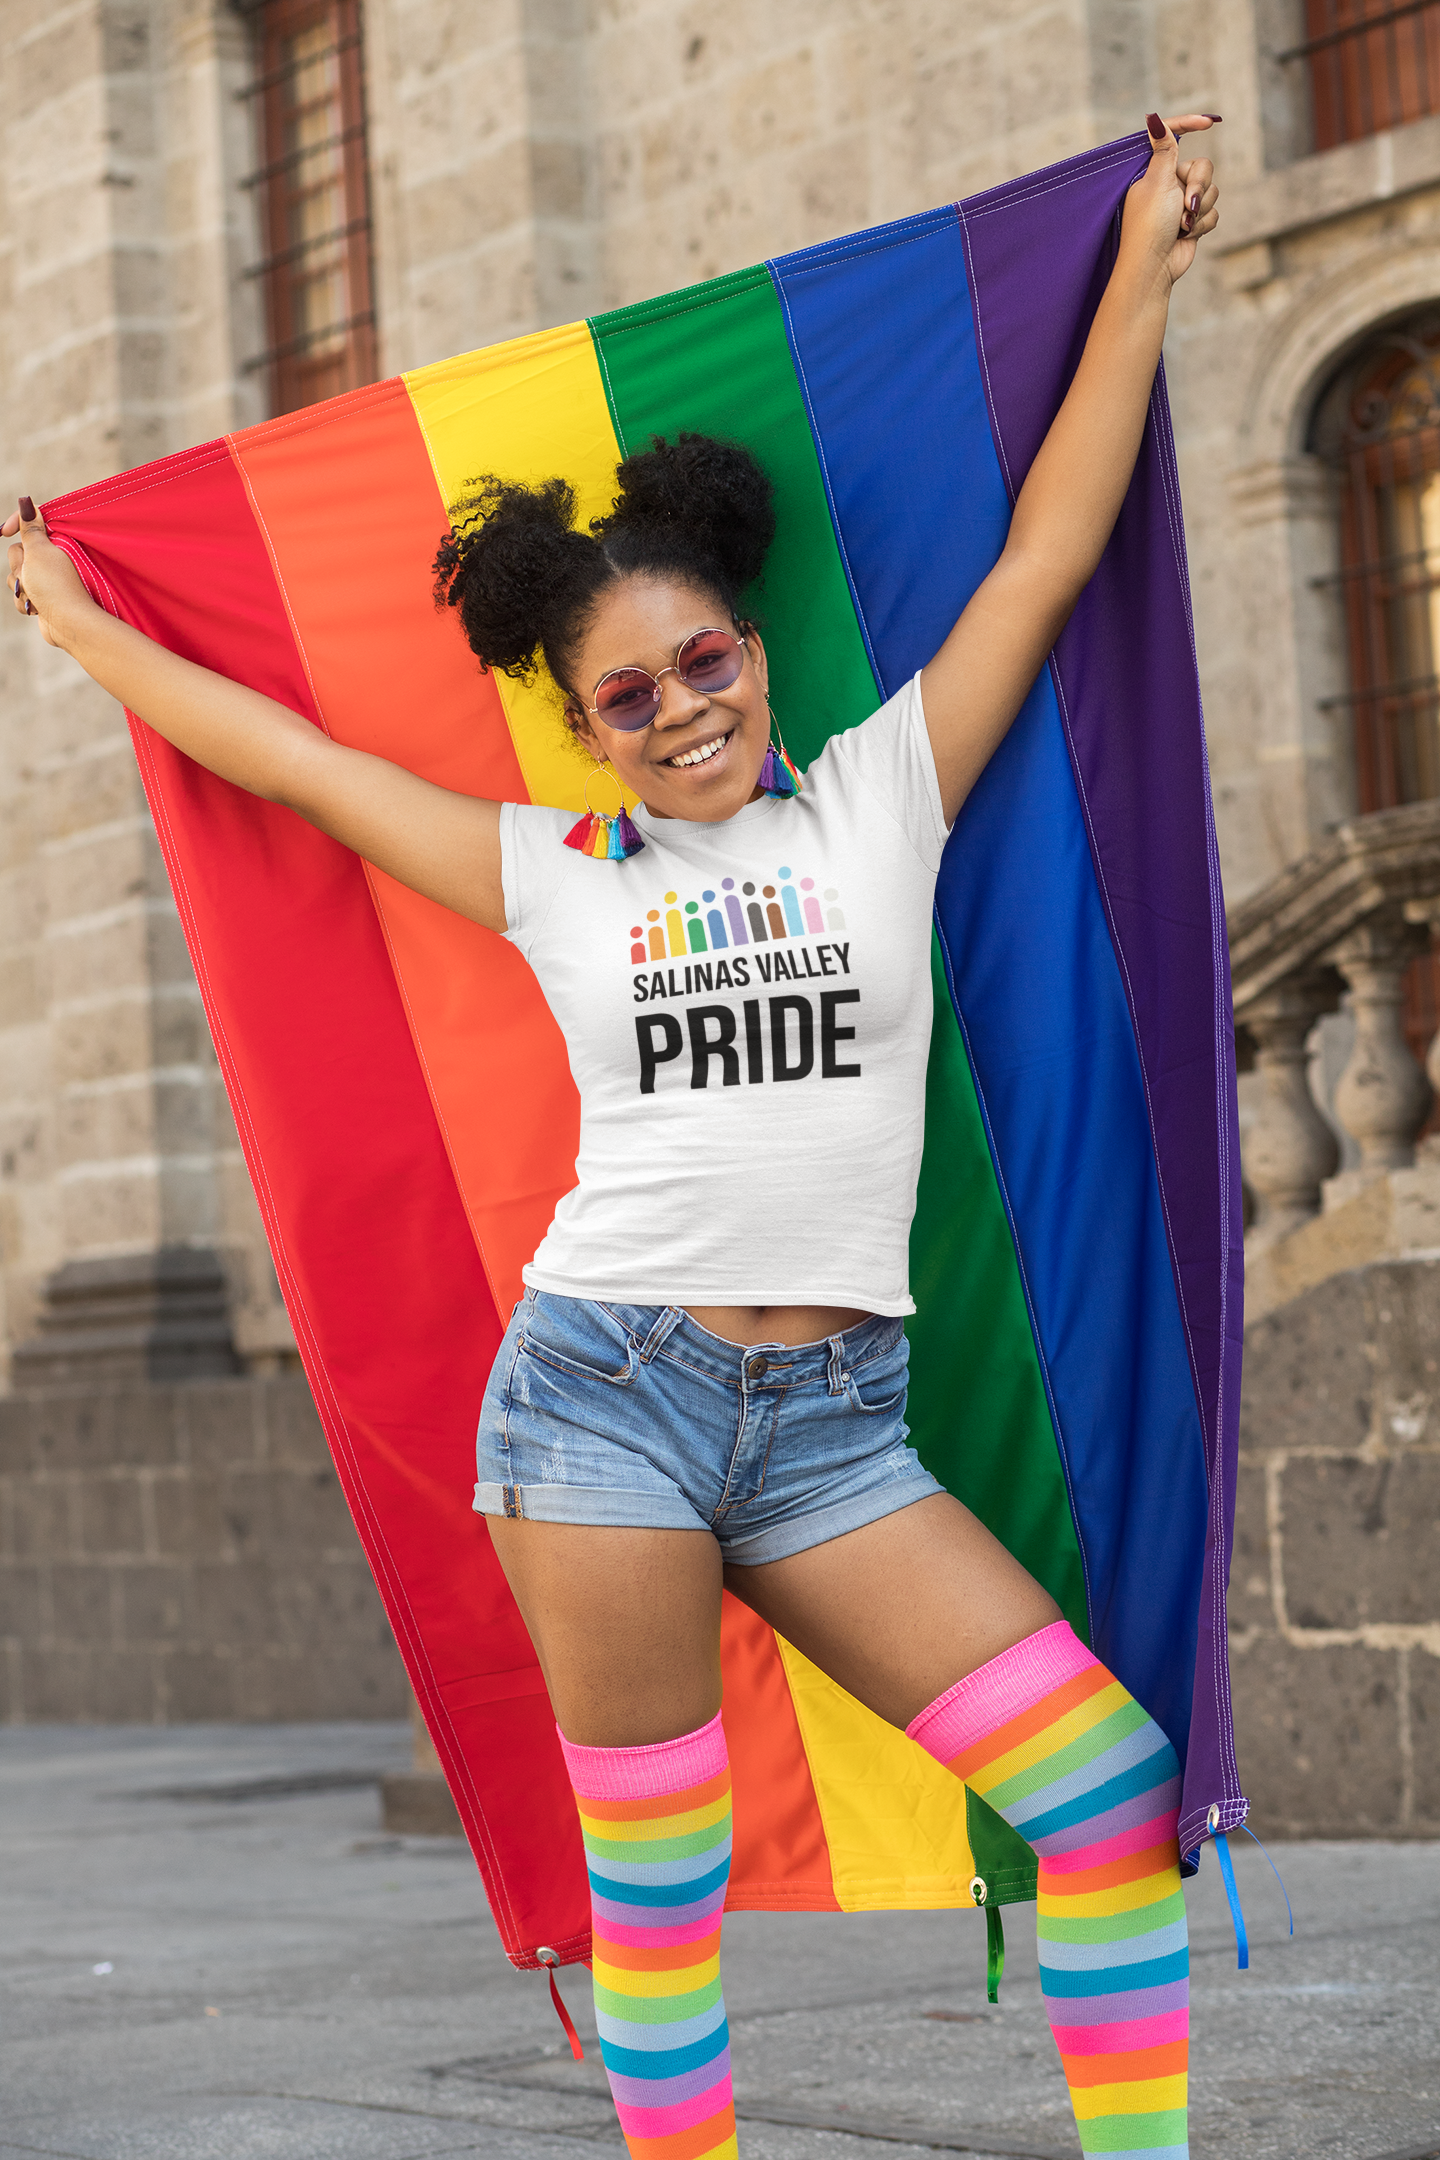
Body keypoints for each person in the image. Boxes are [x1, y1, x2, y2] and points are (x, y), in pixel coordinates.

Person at [8, 114, 1219, 2160]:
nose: (680, 708)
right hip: (604, 1401)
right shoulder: (555, 873)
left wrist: (1145, 268)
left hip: (836, 1428)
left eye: (703, 661)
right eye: (629, 694)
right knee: (664, 1894)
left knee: (1102, 1790)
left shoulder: (877, 801)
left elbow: (1045, 555)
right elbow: (291, 761)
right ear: (584, 729)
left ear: (755, 651)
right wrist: (73, 620)